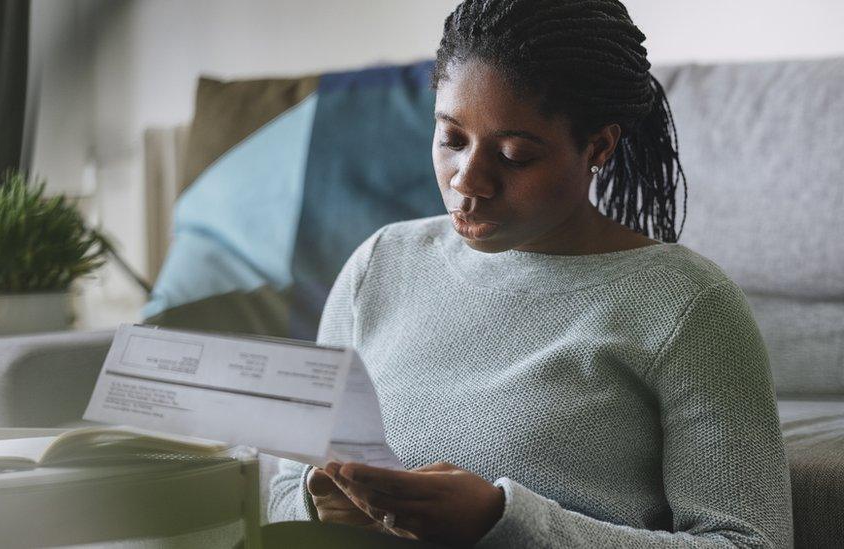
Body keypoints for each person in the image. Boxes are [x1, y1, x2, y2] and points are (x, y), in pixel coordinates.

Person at [268, 0, 793, 547]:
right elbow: (282, 485)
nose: (467, 181)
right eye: (452, 139)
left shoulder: (687, 306)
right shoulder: (380, 263)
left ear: (598, 147)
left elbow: (752, 542)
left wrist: (503, 524)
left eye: (515, 155)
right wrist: (315, 502)